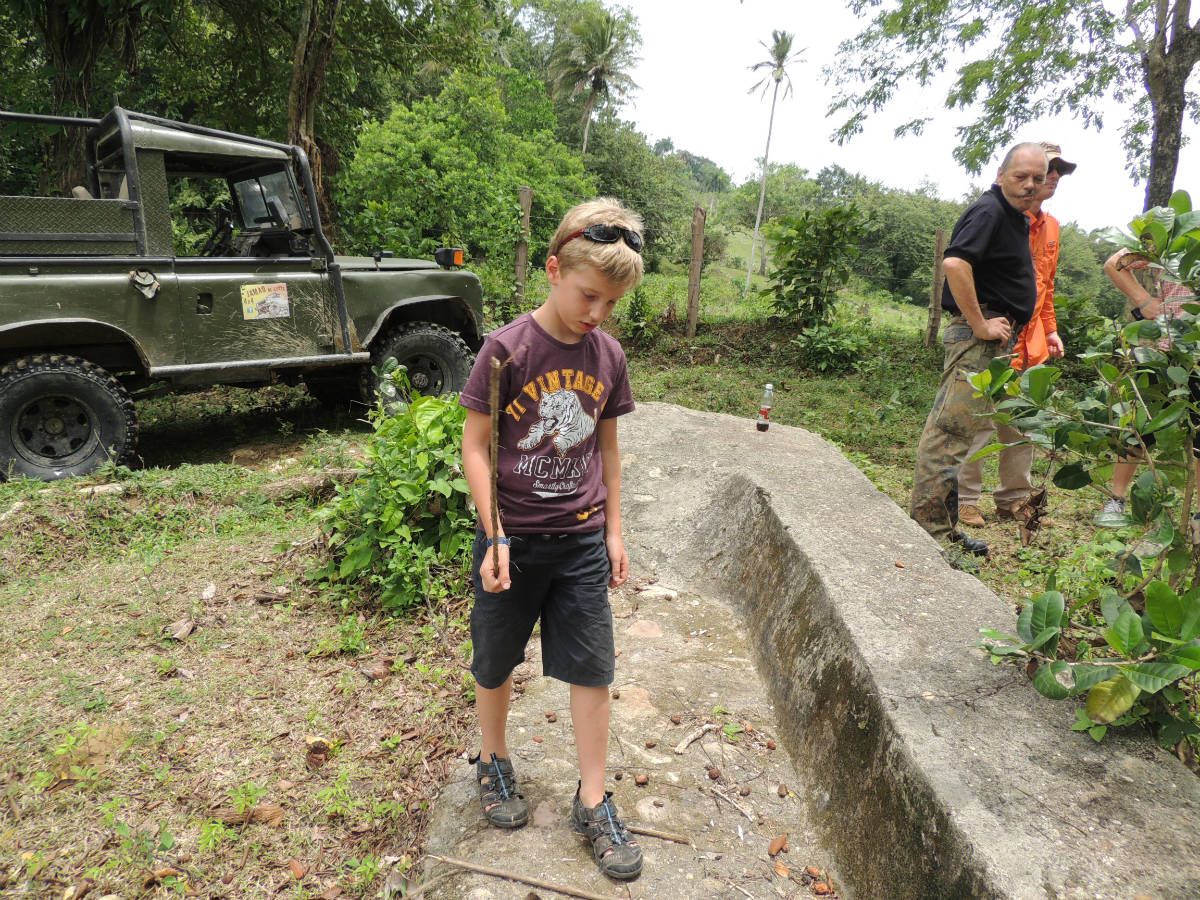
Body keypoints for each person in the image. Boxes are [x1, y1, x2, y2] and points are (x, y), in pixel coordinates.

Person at [458, 198, 644, 881]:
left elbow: (608, 448)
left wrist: (615, 529)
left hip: (581, 541)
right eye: (589, 295)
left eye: (611, 303)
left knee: (594, 667)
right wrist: (494, 534)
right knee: (495, 658)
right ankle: (493, 757)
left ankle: (592, 799)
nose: (598, 313)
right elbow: (475, 447)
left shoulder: (608, 355)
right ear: (554, 269)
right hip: (511, 542)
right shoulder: (506, 350)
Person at [909, 142, 1047, 563]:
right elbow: (955, 264)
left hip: (992, 341)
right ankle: (929, 535)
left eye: (1038, 178)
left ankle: (945, 527)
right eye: (1021, 176)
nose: (1030, 184)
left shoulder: (1014, 217)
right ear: (1001, 174)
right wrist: (979, 323)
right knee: (949, 433)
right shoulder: (990, 210)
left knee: (963, 433)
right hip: (978, 337)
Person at [958, 142, 1077, 527]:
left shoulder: (1052, 227)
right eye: (1049, 169)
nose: (1054, 177)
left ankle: (1013, 499)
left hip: (1033, 343)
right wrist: (979, 322)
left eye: (1058, 171)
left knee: (1023, 424)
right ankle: (965, 499)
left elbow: (1046, 285)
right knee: (978, 420)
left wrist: (1051, 329)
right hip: (997, 334)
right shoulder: (1003, 217)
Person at [1094, 248, 1200, 526]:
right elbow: (1114, 262)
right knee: (1138, 429)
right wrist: (1143, 300)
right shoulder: (1172, 239)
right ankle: (1116, 499)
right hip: (1163, 352)